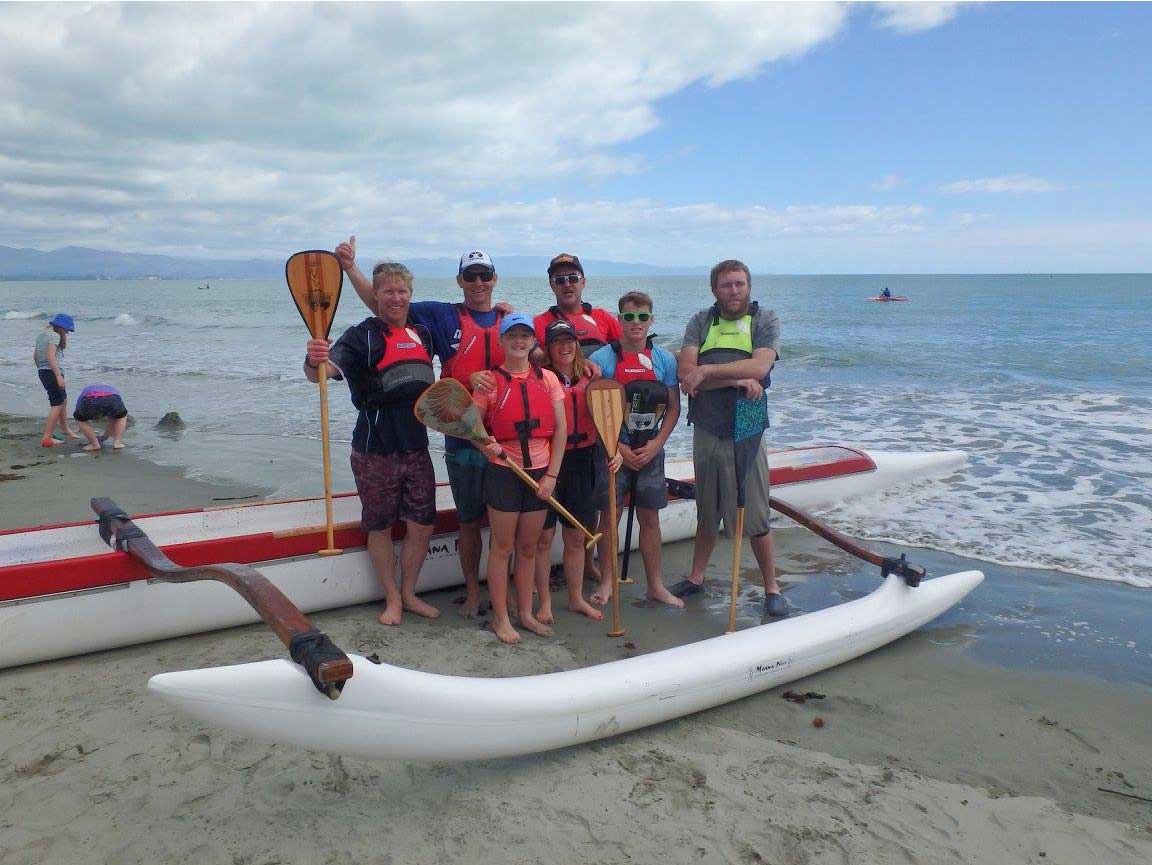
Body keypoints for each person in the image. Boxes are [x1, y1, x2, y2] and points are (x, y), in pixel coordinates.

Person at [336, 236, 507, 618]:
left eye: (485, 275)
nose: (478, 282)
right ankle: (420, 597)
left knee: (449, 522)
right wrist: (350, 269)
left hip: (491, 439)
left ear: (495, 278)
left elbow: (536, 359)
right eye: (471, 275)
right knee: (462, 521)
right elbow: (385, 305)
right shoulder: (439, 318)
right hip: (453, 438)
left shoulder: (508, 321)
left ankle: (424, 593)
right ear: (460, 280)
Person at [304, 261, 441, 626]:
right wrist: (313, 359)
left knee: (422, 523)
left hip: (417, 447)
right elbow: (323, 372)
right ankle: (391, 597)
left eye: (402, 291)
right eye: (388, 291)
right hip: (374, 449)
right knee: (379, 525)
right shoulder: (361, 336)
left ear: (410, 295)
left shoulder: (422, 334)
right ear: (375, 295)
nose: (396, 298)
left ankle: (409, 592)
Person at [675, 260, 786, 617]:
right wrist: (735, 379)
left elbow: (760, 367)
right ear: (715, 290)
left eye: (739, 284)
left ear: (749, 286)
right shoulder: (700, 321)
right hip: (708, 422)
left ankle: (772, 587)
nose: (734, 290)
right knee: (707, 508)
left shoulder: (764, 319)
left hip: (749, 420)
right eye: (726, 285)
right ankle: (696, 578)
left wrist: (708, 372)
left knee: (755, 511)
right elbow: (686, 375)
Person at [472, 313, 567, 645]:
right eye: (512, 335)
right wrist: (486, 445)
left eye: (525, 335)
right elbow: (472, 428)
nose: (519, 341)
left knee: (528, 548)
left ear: (533, 341)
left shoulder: (547, 378)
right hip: (504, 472)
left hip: (540, 473)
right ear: (501, 341)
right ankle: (501, 618)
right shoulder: (489, 382)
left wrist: (552, 475)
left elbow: (561, 430)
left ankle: (525, 613)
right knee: (502, 548)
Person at [587, 291, 684, 609]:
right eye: (629, 317)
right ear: (619, 321)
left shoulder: (664, 360)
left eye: (642, 317)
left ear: (651, 320)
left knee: (650, 518)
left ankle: (656, 585)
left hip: (650, 450)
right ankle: (607, 580)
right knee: (609, 517)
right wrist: (617, 447)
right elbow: (592, 409)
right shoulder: (603, 359)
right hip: (612, 452)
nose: (636, 323)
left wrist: (657, 444)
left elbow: (673, 408)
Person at [532, 319, 623, 622]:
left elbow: (607, 419)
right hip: (548, 462)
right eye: (558, 341)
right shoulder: (539, 378)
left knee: (575, 538)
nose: (565, 346)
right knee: (544, 539)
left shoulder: (591, 377)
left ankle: (575, 599)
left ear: (577, 344)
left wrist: (615, 450)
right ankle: (545, 602)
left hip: (583, 460)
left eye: (569, 340)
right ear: (548, 347)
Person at [532, 253, 622, 359]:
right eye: (560, 280)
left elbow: (630, 346)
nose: (567, 285)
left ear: (583, 282)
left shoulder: (604, 317)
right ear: (552, 285)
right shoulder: (537, 324)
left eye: (573, 278)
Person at [33, 313, 80, 447]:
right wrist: (58, 376)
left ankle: (65, 428)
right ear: (60, 327)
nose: (67, 332)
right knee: (57, 404)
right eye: (66, 330)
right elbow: (51, 356)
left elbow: (35, 355)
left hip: (43, 371)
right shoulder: (55, 335)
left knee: (63, 400)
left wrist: (41, 369)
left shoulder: (42, 335)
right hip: (53, 372)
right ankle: (47, 438)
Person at [73, 383, 128, 451]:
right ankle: (117, 443)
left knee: (80, 419)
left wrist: (80, 417)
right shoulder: (112, 389)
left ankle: (94, 444)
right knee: (121, 416)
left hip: (89, 399)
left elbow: (78, 408)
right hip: (112, 398)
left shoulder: (85, 391)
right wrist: (105, 437)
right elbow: (113, 420)